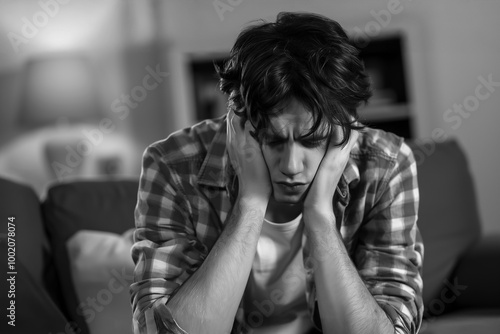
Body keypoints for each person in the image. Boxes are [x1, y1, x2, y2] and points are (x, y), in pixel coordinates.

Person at [130, 12, 424, 334]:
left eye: (313, 141)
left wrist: (320, 217)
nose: (291, 166)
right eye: (272, 139)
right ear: (239, 122)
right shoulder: (171, 165)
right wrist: (251, 203)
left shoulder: (387, 165)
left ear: (346, 127)